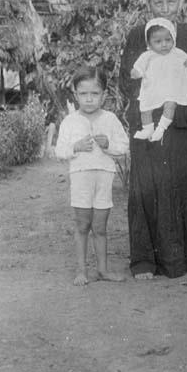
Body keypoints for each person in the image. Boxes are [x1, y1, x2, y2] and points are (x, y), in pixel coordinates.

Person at [119, 0, 187, 279]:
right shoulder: (139, 35)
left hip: (183, 120)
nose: (165, 8)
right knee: (149, 190)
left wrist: (173, 90)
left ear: (181, 2)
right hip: (150, 123)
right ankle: (146, 260)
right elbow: (127, 80)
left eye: (171, 1)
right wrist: (156, 96)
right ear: (148, 4)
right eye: (158, 2)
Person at [55, 65, 129, 286]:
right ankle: (81, 271)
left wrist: (109, 145)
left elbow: (123, 147)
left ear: (104, 95)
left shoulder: (110, 120)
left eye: (94, 94)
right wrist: (75, 147)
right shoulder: (70, 122)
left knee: (100, 227)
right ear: (75, 95)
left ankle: (103, 270)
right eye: (83, 94)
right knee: (82, 226)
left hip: (103, 179)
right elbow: (59, 151)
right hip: (81, 179)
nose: (89, 99)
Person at [131, 17, 187, 142]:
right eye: (158, 42)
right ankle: (148, 129)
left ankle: (161, 128)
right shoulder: (147, 56)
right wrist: (136, 72)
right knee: (145, 108)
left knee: (170, 105)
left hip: (170, 88)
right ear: (149, 43)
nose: (164, 44)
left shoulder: (177, 52)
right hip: (152, 88)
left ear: (173, 39)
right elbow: (138, 67)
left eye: (168, 40)